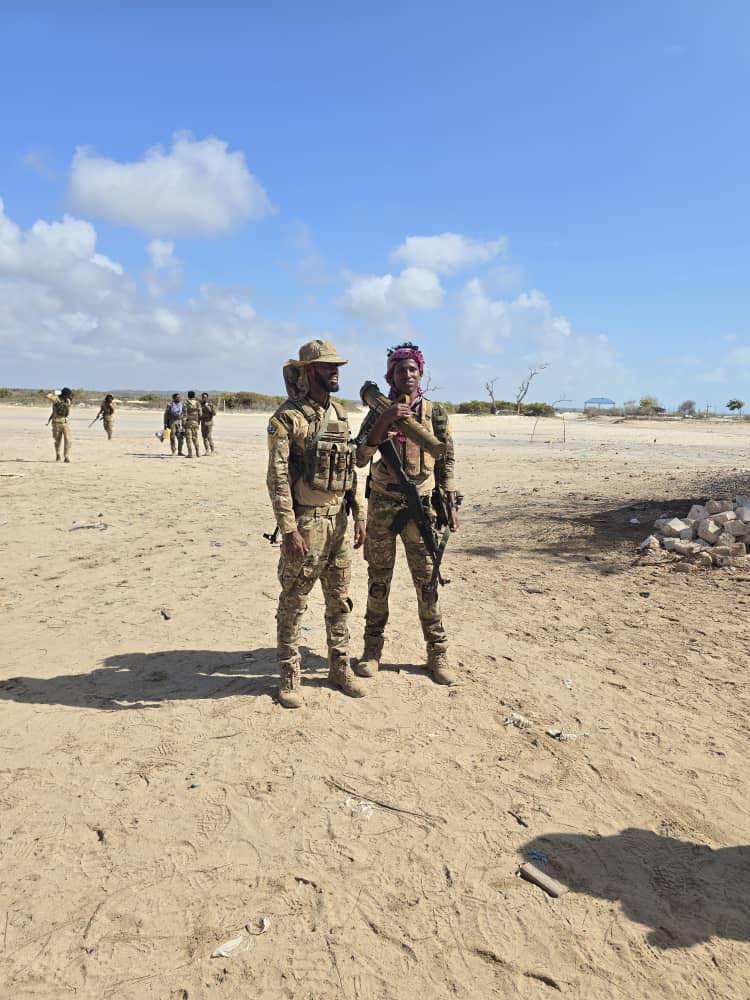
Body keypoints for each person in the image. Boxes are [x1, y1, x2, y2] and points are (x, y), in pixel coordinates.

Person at [266, 339, 367, 708]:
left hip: (338, 521)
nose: (335, 372)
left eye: (336, 366)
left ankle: (339, 668)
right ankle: (289, 675)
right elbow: (277, 478)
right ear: (309, 371)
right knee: (294, 601)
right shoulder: (286, 419)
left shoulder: (339, 412)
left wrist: (359, 514)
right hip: (307, 524)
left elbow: (349, 468)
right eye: (327, 367)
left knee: (339, 601)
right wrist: (289, 529)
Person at [354, 342, 459, 685]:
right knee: (378, 582)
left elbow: (446, 459)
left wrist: (449, 501)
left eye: (413, 369)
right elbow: (360, 457)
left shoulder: (435, 414)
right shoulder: (379, 409)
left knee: (427, 583)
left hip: (422, 506)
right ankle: (371, 652)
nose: (408, 375)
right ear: (391, 376)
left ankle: (437, 654)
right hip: (383, 504)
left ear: (420, 372)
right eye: (401, 370)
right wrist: (384, 422)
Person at [48, 387, 73, 463]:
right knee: (57, 440)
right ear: (64, 394)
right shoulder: (56, 399)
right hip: (57, 422)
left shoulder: (68, 400)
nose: (69, 396)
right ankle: (58, 454)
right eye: (68, 395)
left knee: (68, 440)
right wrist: (56, 392)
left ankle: (66, 456)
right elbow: (48, 396)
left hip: (65, 422)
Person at [183, 391, 202, 458]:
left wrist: (183, 423)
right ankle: (198, 453)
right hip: (195, 422)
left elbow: (184, 414)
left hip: (188, 422)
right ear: (194, 396)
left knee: (189, 438)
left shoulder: (186, 403)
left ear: (188, 396)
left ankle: (190, 453)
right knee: (195, 438)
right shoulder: (198, 403)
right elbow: (200, 414)